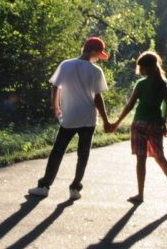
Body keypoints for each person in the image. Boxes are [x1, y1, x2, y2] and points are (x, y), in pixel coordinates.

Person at [28, 37, 113, 202]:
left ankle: (44, 186)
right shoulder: (95, 71)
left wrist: (56, 108)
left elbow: (55, 87)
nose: (98, 57)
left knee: (57, 151)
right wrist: (105, 120)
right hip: (88, 117)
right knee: (83, 153)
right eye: (99, 54)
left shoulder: (66, 65)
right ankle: (75, 187)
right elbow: (98, 98)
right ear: (94, 51)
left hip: (70, 116)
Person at [109, 51, 167, 206]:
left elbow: (130, 105)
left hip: (139, 124)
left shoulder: (141, 83)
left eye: (143, 68)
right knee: (160, 157)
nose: (142, 71)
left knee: (141, 160)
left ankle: (140, 194)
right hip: (155, 124)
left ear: (149, 67)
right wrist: (163, 122)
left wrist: (117, 122)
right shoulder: (163, 83)